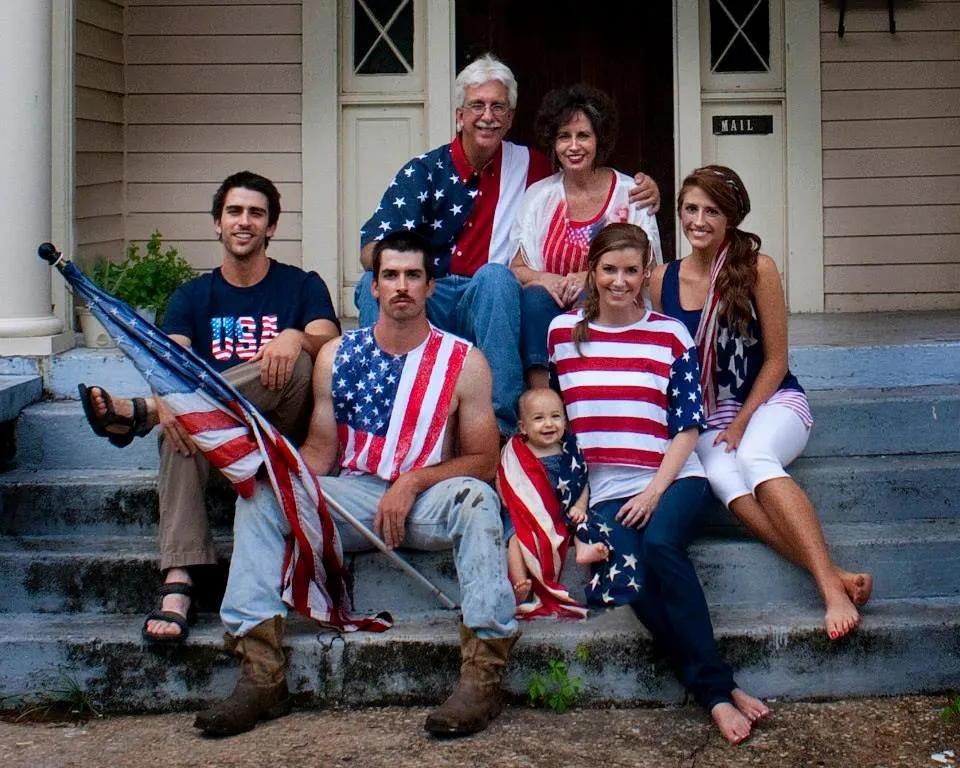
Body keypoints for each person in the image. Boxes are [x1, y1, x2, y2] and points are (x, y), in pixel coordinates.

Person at [193, 231, 518, 738]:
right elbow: (321, 453)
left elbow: (483, 460)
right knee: (263, 498)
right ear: (374, 287)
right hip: (357, 497)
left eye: (413, 275)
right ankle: (261, 675)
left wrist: (411, 482)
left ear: (431, 286)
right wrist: (277, 473)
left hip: (430, 500)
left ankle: (483, 675)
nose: (402, 286)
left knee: (478, 500)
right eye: (391, 275)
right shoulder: (336, 356)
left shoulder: (465, 362)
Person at [76, 171, 340, 644]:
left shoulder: (301, 286)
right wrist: (168, 402)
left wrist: (296, 336)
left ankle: (138, 414)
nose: (244, 221)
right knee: (180, 424)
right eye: (234, 212)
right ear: (218, 223)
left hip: (279, 437)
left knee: (296, 363)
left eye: (256, 213)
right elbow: (168, 364)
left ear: (271, 227)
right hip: (221, 444)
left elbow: (331, 341)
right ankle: (179, 579)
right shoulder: (192, 296)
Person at [356, 54, 660, 435]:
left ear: (511, 117)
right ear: (459, 115)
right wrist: (409, 269)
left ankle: (503, 427)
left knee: (497, 278)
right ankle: (377, 412)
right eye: (477, 105)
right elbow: (370, 250)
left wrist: (649, 189)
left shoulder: (531, 166)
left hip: (486, 295)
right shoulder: (424, 171)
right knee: (369, 285)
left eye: (498, 106)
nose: (488, 116)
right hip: (431, 290)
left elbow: (583, 173)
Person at [548, 222, 768, 745]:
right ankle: (721, 687)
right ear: (591, 271)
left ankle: (714, 694)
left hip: (675, 476)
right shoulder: (562, 334)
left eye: (631, 270)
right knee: (632, 580)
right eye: (609, 269)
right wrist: (577, 499)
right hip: (605, 490)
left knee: (663, 545)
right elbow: (559, 424)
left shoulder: (670, 335)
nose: (619, 281)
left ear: (646, 272)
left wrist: (653, 492)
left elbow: (688, 427)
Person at [649, 165, 872, 641]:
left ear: (730, 218)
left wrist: (741, 422)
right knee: (721, 476)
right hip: (708, 413)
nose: (699, 221)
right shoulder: (661, 279)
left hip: (772, 400)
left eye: (712, 211)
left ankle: (830, 594)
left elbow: (776, 361)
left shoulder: (757, 268)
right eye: (691, 209)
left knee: (752, 456)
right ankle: (833, 573)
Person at [511, 85, 663, 388]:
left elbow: (651, 268)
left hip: (613, 307)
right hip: (552, 310)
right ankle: (542, 399)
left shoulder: (631, 193)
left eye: (583, 136)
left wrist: (591, 278)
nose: (573, 146)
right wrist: (544, 279)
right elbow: (517, 268)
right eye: (563, 136)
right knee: (534, 297)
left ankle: (595, 386)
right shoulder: (539, 196)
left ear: (599, 139)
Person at [497, 387, 607, 620]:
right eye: (539, 418)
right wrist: (507, 500)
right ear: (523, 427)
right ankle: (519, 583)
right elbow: (503, 477)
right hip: (527, 514)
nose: (549, 424)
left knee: (586, 521)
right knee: (515, 538)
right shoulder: (515, 451)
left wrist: (579, 506)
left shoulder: (570, 452)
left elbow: (582, 483)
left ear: (565, 421)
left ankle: (584, 549)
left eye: (555, 416)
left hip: (561, 511)